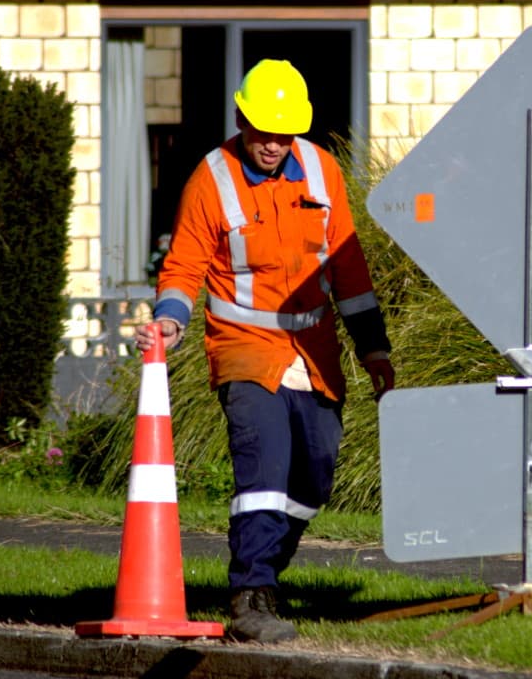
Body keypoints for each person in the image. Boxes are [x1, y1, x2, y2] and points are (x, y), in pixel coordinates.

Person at [134, 58, 394, 643]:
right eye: (262, 131)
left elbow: (350, 273)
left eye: (285, 132)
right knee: (265, 462)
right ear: (241, 118)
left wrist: (374, 350)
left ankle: (267, 571)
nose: (273, 144)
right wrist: (171, 319)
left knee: (315, 474)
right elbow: (183, 267)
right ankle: (251, 593)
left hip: (315, 350)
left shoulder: (323, 173)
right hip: (245, 348)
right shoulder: (212, 179)